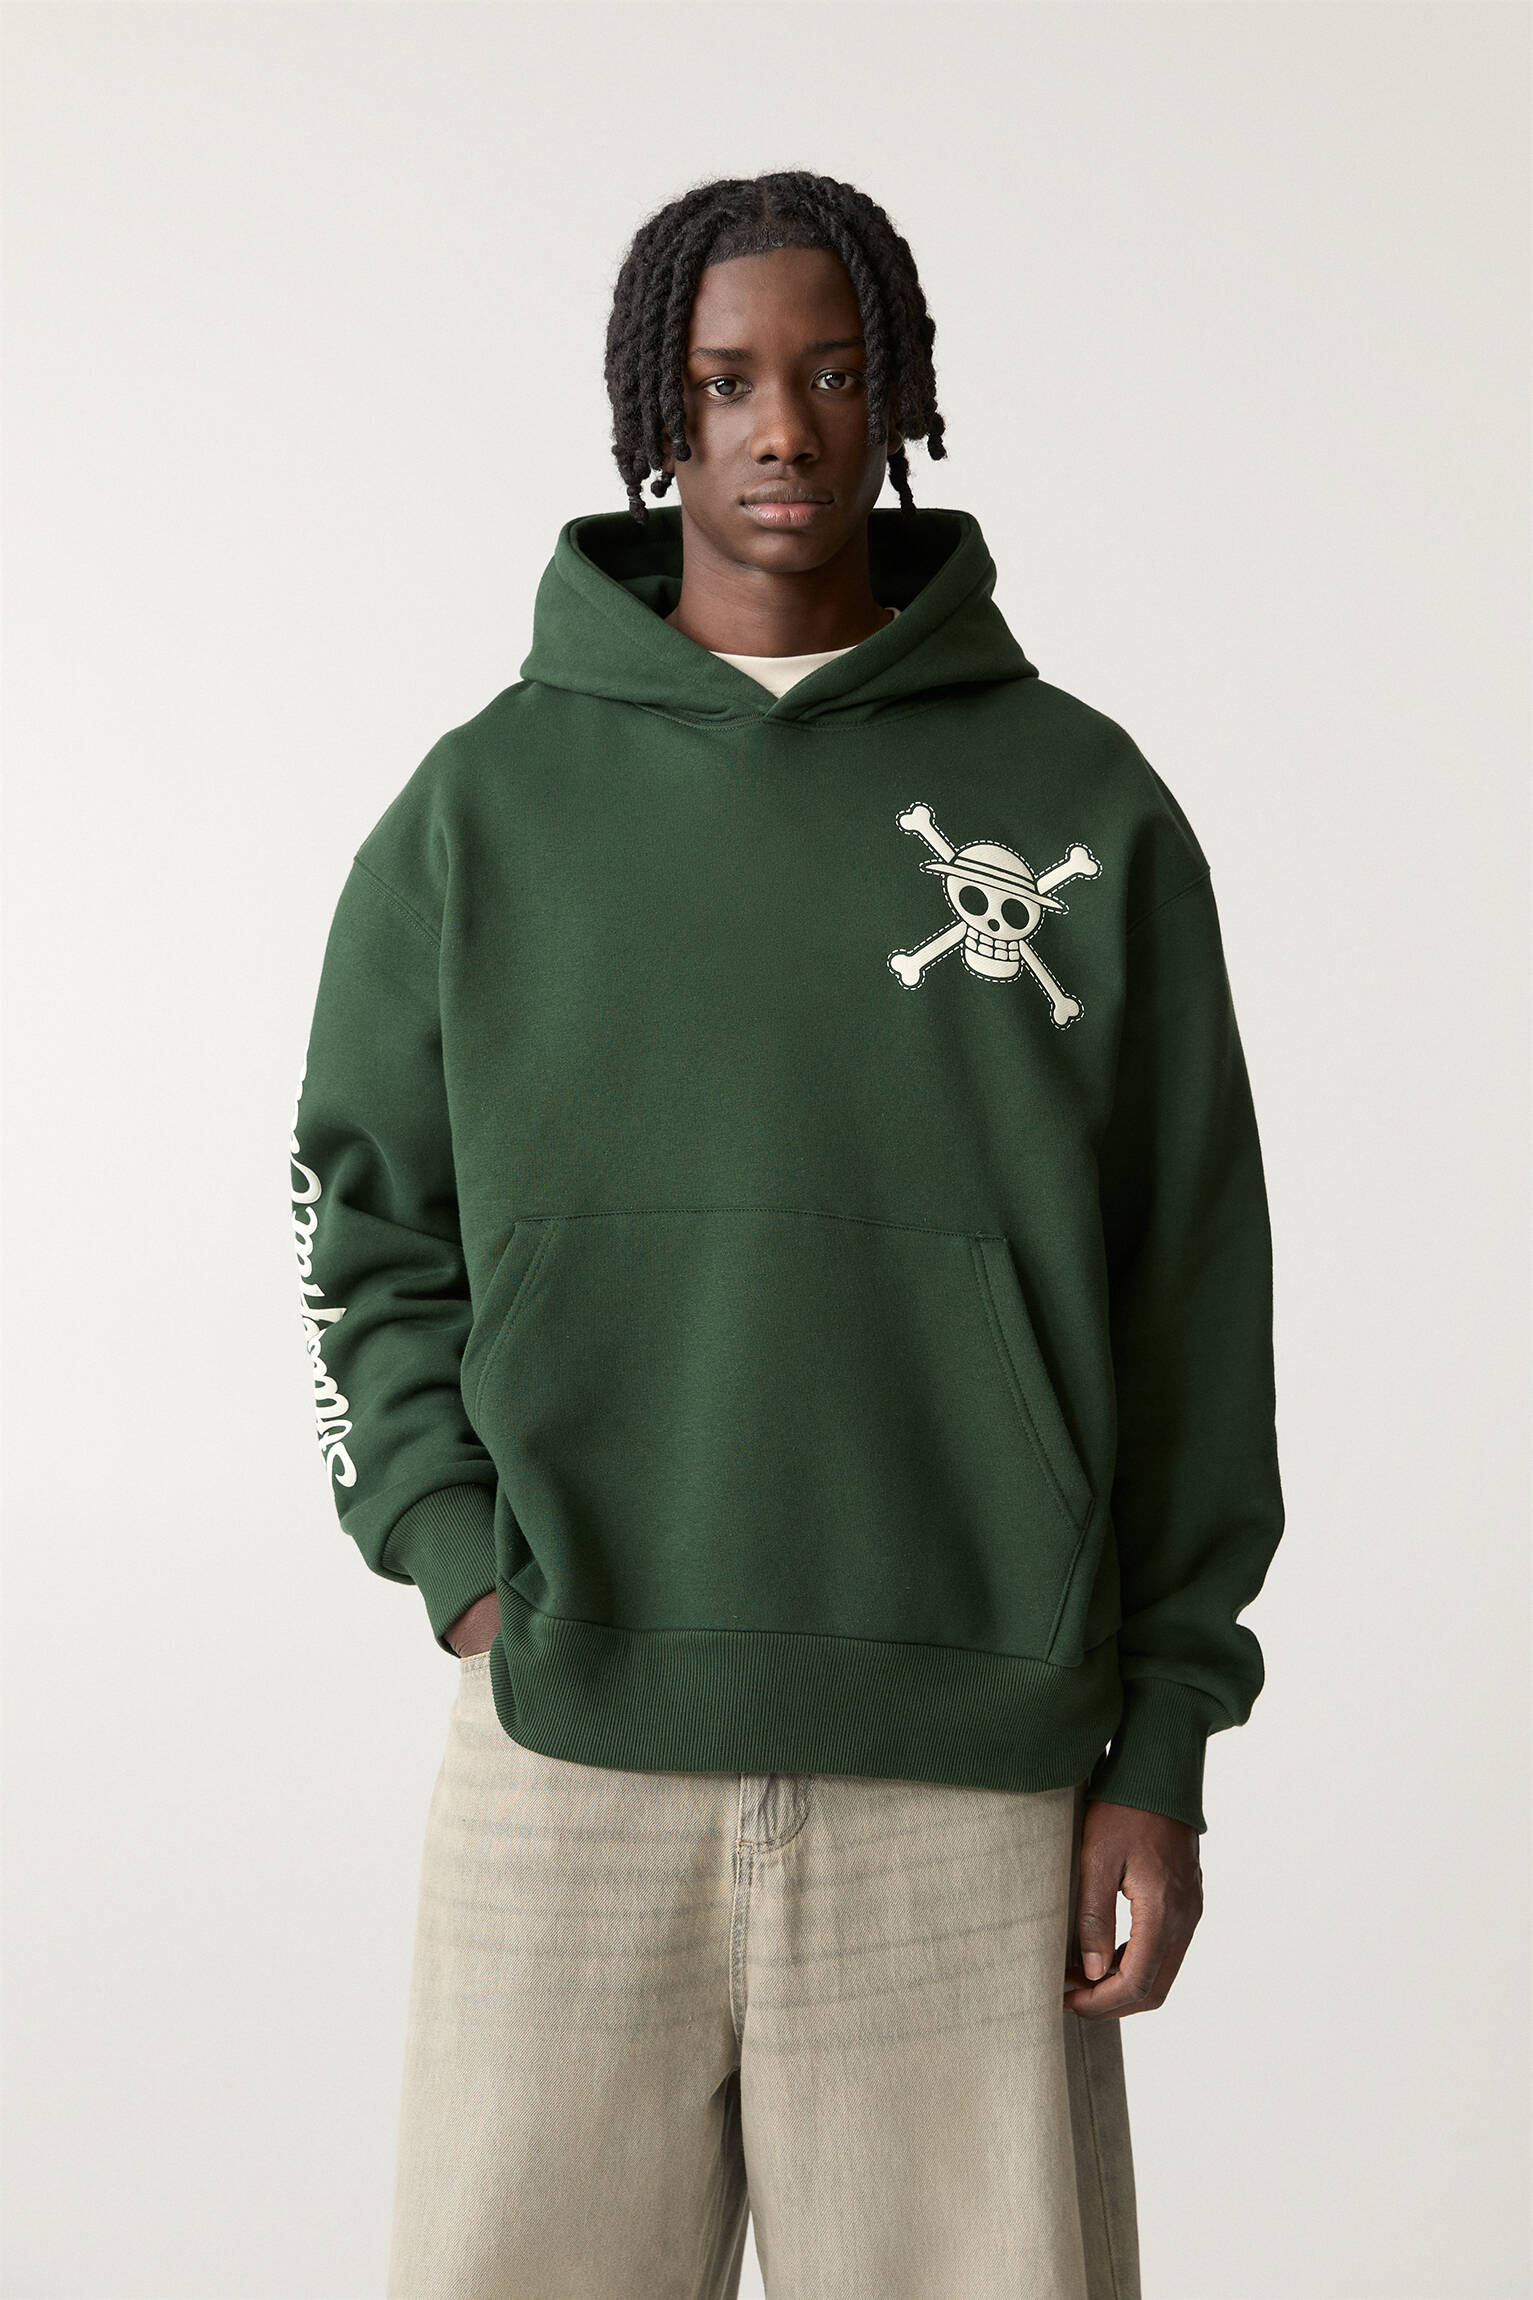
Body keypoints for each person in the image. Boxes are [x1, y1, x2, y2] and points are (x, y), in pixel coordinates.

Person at [290, 169, 1284, 2300]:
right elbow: (359, 1220)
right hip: (564, 1745)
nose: (780, 429)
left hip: (974, 1766)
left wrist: (1165, 1739)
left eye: (832, 376)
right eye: (725, 379)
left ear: (898, 398)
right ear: (654, 408)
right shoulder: (482, 808)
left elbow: (1190, 1289)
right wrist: (457, 1557)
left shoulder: (1081, 804)